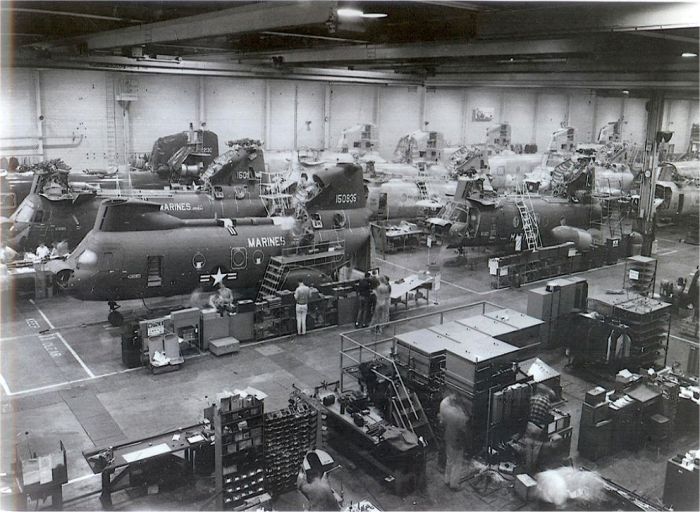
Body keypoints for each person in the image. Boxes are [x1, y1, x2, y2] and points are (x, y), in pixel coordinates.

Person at [438, 394, 470, 490]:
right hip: (457, 442)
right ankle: (454, 485)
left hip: (448, 438)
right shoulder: (460, 415)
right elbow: (464, 429)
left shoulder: (448, 410)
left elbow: (442, 421)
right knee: (457, 464)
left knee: (450, 460)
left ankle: (447, 480)